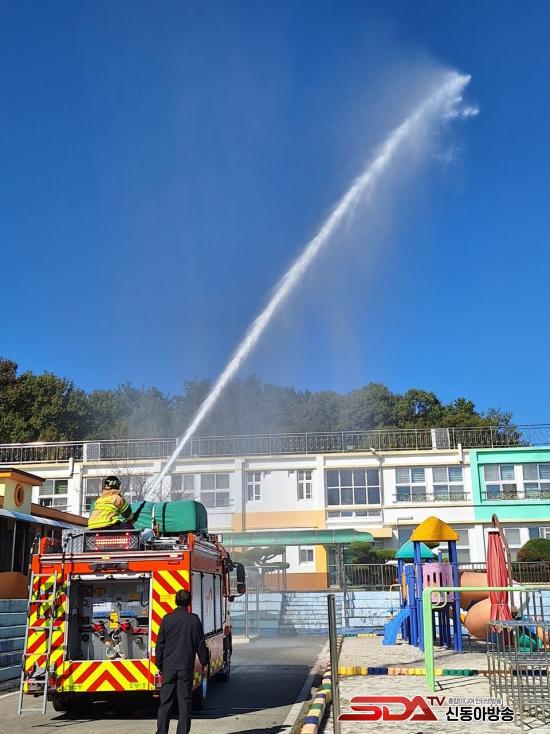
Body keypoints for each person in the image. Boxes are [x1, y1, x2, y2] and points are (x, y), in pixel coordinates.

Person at [155, 589, 209, 734]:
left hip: (169, 667)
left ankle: (161, 732)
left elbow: (160, 644)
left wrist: (160, 665)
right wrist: (204, 662)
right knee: (184, 703)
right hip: (185, 667)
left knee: (165, 702)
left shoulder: (167, 619)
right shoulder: (194, 620)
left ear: (175, 601)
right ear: (189, 603)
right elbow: (200, 644)